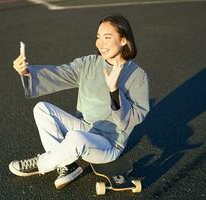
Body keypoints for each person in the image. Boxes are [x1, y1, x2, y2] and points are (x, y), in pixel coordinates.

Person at [9, 14, 149, 190]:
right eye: (98, 37)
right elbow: (58, 74)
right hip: (85, 128)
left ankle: (43, 163)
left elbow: (133, 119)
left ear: (123, 40)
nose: (100, 43)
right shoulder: (89, 63)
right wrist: (26, 72)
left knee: (75, 138)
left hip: (108, 143)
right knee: (42, 108)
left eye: (107, 37)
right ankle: (67, 166)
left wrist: (114, 91)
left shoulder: (137, 76)